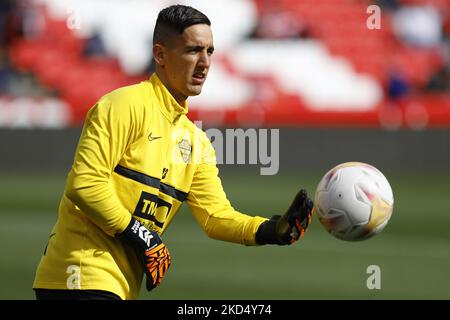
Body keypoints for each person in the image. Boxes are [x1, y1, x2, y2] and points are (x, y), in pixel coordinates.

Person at [32, 5, 314, 300]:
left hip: (116, 288)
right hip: (77, 277)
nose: (204, 62)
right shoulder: (124, 105)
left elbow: (216, 217)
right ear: (160, 55)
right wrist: (141, 235)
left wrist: (272, 230)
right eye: (193, 50)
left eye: (210, 51)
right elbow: (85, 185)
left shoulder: (197, 143)